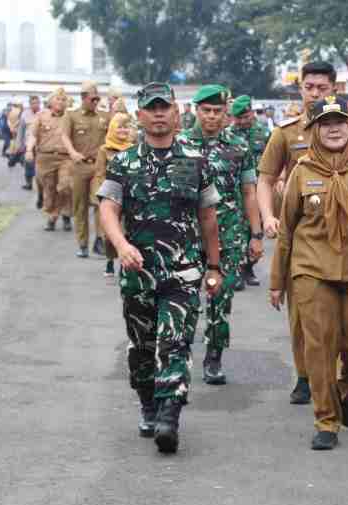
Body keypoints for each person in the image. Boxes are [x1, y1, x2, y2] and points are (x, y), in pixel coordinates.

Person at [97, 82, 223, 454]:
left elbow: (208, 217)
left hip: (183, 271)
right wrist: (122, 246)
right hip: (139, 272)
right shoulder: (123, 162)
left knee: (176, 342)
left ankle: (170, 413)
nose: (158, 114)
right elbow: (108, 209)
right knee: (142, 346)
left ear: (175, 112)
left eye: (163, 107)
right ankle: (149, 404)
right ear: (139, 115)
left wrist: (214, 266)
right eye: (151, 108)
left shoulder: (196, 160)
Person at [269, 96, 348, 450]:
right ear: (314, 130)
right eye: (325, 124)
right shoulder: (302, 171)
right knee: (320, 346)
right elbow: (287, 230)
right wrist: (277, 281)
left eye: (339, 122)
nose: (333, 129)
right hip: (311, 270)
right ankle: (326, 420)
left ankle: (344, 391)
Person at [257, 61, 337, 405]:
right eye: (309, 87)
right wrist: (267, 216)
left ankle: (333, 375)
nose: (315, 93)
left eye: (322, 87)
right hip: (300, 232)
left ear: (333, 89)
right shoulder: (286, 133)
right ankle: (306, 375)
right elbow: (265, 179)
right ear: (300, 88)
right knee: (303, 311)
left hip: (341, 234)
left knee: (341, 312)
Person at [177, 85, 261, 386]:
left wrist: (256, 234)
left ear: (225, 112)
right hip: (188, 235)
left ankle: (214, 357)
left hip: (228, 236)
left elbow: (249, 192)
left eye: (217, 111)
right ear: (196, 111)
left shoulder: (238, 147)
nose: (212, 116)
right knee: (185, 299)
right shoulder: (179, 144)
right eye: (206, 111)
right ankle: (180, 355)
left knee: (220, 298)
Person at [62, 81, 110, 258]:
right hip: (80, 166)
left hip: (99, 166)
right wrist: (72, 152)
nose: (96, 102)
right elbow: (64, 136)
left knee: (99, 202)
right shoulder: (71, 116)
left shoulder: (105, 116)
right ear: (83, 98)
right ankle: (82, 244)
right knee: (80, 206)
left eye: (97, 98)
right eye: (92, 99)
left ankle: (100, 239)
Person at [229, 94, 271, 288]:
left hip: (259, 188)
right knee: (236, 229)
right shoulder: (229, 135)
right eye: (238, 118)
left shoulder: (264, 133)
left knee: (256, 228)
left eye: (245, 117)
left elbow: (274, 158)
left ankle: (248, 268)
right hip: (237, 188)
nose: (242, 122)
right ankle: (236, 269)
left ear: (252, 113)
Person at [93, 112, 134, 277]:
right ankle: (110, 259)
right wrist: (100, 197)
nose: (123, 130)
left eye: (126, 127)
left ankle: (126, 263)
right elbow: (99, 175)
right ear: (112, 129)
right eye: (119, 127)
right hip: (111, 196)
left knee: (128, 232)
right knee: (110, 235)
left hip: (130, 195)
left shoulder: (134, 149)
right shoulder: (104, 150)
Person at [26, 88, 73, 232]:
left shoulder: (71, 117)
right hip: (45, 158)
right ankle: (52, 215)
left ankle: (65, 214)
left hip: (66, 158)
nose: (61, 102)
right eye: (58, 99)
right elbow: (33, 135)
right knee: (50, 188)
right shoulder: (41, 116)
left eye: (63, 100)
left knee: (65, 186)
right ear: (51, 101)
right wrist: (29, 150)